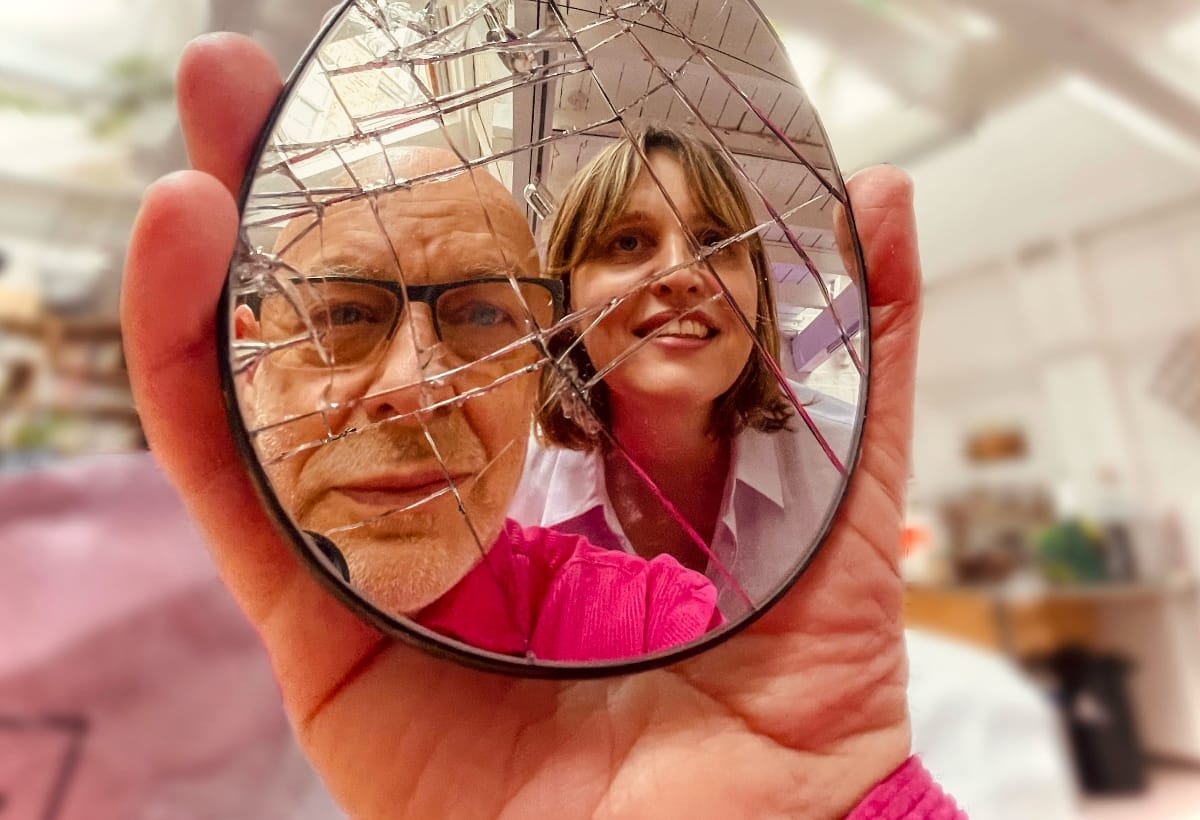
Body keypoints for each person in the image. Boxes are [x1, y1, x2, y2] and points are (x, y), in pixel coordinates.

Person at [122, 32, 960, 819]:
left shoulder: (737, 546)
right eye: (343, 313)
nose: (681, 273)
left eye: (480, 314)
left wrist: (837, 800)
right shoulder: (119, 645)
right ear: (564, 319)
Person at [228, 147, 721, 661]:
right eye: (345, 316)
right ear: (250, 364)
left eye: (484, 317)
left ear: (536, 368)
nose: (414, 389)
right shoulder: (151, 618)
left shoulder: (649, 631)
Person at [511, 125, 856, 614]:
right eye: (628, 242)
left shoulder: (853, 472)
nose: (680, 275)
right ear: (563, 301)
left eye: (716, 243)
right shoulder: (503, 497)